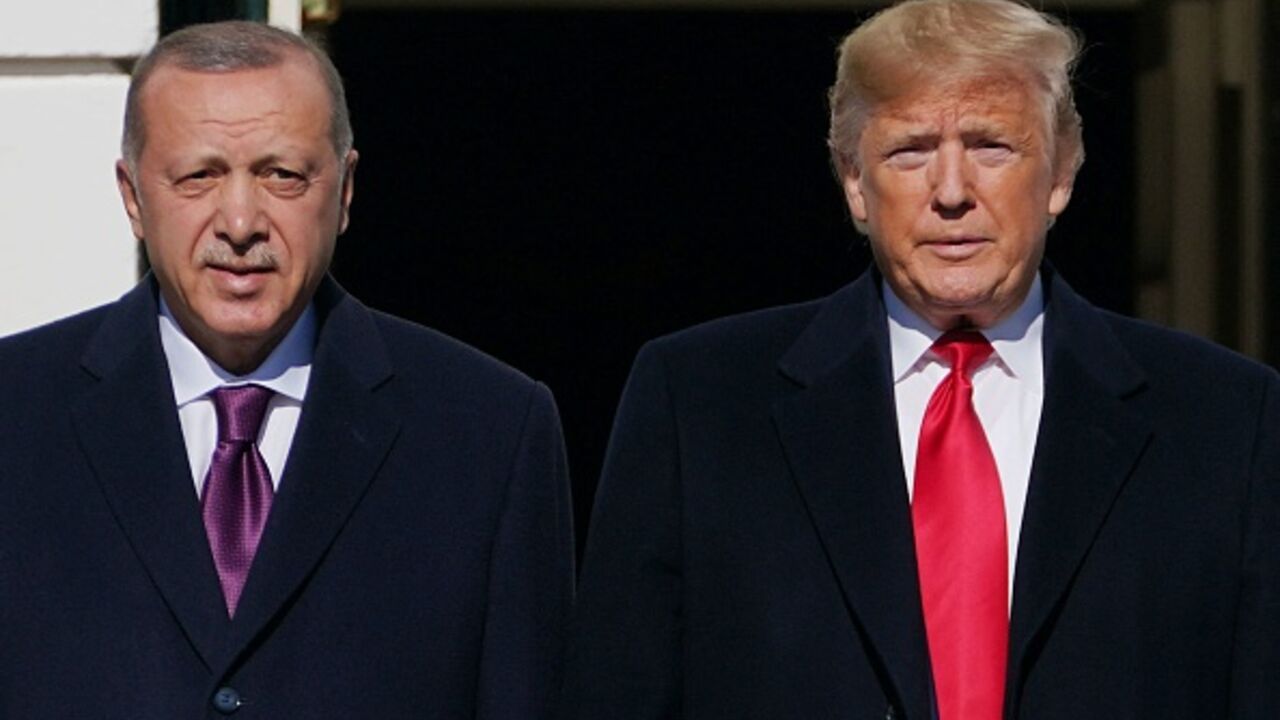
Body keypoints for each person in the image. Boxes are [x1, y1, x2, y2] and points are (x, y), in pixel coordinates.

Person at [559, 1, 1280, 718]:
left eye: (991, 145)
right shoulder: (699, 404)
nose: (952, 192)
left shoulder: (1224, 420)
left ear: (1061, 171)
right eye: (910, 151)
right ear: (853, 181)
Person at [0, 21, 573, 719]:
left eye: (282, 176)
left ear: (346, 190)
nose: (240, 221)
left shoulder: (490, 435)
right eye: (199, 176)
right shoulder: (16, 417)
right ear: (132, 196)